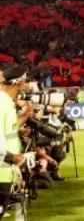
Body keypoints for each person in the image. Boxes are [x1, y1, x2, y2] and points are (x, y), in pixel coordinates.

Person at [2, 66, 35, 201]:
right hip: (2, 171)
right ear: (18, 82)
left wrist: (25, 116)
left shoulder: (6, 102)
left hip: (5, 172)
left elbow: (7, 129)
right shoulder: (2, 104)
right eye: (25, 80)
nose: (27, 84)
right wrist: (15, 158)